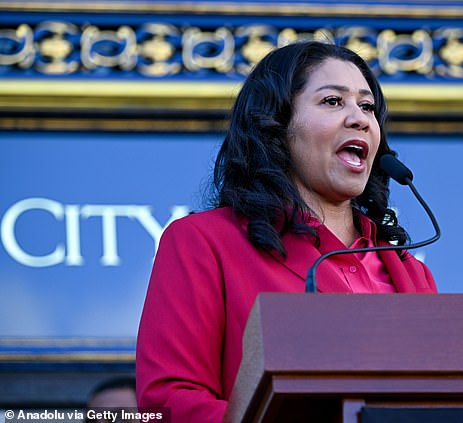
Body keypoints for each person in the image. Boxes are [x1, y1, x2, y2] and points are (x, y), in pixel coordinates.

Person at [136, 40, 437, 422]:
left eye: (367, 106)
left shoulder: (410, 269)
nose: (360, 118)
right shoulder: (203, 241)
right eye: (333, 101)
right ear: (276, 125)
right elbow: (168, 401)